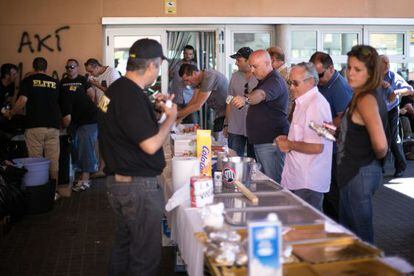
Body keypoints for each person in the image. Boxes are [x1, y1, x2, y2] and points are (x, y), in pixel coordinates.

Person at [99, 38, 177, 275]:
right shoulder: (130, 96)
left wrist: (154, 110)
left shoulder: (115, 90)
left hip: (120, 184)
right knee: (145, 256)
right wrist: (171, 118)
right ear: (152, 66)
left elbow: (124, 127)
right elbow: (151, 145)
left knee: (125, 247)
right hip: (137, 188)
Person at [337, 45, 388, 244]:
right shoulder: (361, 95)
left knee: (360, 238)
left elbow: (381, 145)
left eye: (357, 69)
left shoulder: (366, 99)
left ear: (370, 73)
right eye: (349, 67)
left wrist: (369, 162)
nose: (350, 73)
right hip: (356, 172)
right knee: (353, 236)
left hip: (359, 172)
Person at [276, 62, 333, 211]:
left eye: (295, 83)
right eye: (289, 82)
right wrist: (288, 142)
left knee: (306, 229)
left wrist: (289, 145)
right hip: (298, 178)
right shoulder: (303, 102)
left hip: (308, 182)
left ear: (311, 81)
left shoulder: (316, 105)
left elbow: (317, 146)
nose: (291, 87)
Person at [231, 50, 289, 183]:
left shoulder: (274, 80)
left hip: (271, 143)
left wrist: (245, 100)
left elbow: (260, 95)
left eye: (255, 67)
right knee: (265, 181)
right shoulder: (264, 80)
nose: (251, 70)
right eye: (250, 66)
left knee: (273, 184)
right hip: (263, 142)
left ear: (268, 63)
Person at [6, 57, 61, 195]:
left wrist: (11, 113)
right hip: (53, 127)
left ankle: (39, 193)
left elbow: (22, 100)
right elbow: (60, 103)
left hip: (34, 126)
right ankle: (53, 193)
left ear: (33, 67)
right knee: (53, 160)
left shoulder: (28, 81)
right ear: (46, 68)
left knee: (37, 162)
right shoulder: (55, 82)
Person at [309, 51, 353, 221]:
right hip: (324, 145)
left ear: (331, 69)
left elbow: (343, 117)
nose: (317, 79)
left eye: (319, 74)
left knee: (334, 193)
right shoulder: (321, 83)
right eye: (314, 75)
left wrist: (319, 128)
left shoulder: (340, 88)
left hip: (336, 149)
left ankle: (340, 228)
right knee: (325, 192)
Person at [60, 59, 98, 191]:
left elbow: (92, 97)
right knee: (76, 148)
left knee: (85, 147)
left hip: (88, 119)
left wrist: (62, 126)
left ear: (77, 67)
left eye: (72, 66)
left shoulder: (83, 80)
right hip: (75, 122)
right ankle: (82, 175)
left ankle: (85, 179)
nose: (70, 69)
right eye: (67, 67)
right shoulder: (62, 84)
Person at [84, 58, 120, 177]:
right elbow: (98, 97)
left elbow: (115, 93)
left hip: (112, 109)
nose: (90, 74)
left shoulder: (112, 73)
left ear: (97, 67)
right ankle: (102, 168)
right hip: (103, 108)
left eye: (91, 71)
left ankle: (111, 168)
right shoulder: (95, 77)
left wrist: (97, 85)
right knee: (102, 139)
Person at [380, 55, 413, 177]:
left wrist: (396, 91)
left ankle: (401, 166)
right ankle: (380, 168)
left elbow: (410, 90)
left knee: (393, 139)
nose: (386, 65)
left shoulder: (393, 76)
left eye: (387, 62)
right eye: (383, 63)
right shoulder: (372, 76)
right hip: (377, 111)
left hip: (392, 110)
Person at [177, 64, 228, 141]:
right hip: (220, 113)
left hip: (228, 113)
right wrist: (179, 118)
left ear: (194, 73)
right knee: (217, 140)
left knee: (223, 144)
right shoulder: (199, 81)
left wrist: (176, 115)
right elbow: (193, 101)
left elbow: (198, 105)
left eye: (187, 80)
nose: (188, 83)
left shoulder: (209, 77)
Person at [224, 47, 257, 157]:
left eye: (239, 60)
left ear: (248, 61)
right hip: (235, 126)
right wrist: (226, 123)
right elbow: (229, 99)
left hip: (254, 128)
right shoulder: (234, 76)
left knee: (254, 162)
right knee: (233, 160)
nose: (236, 63)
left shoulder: (260, 76)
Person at [169, 45, 198, 123]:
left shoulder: (195, 66)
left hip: (190, 100)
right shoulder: (175, 65)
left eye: (190, 54)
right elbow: (169, 77)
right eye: (186, 53)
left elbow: (197, 83)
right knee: (175, 124)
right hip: (177, 100)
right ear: (183, 53)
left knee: (193, 124)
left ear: (193, 55)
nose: (188, 56)